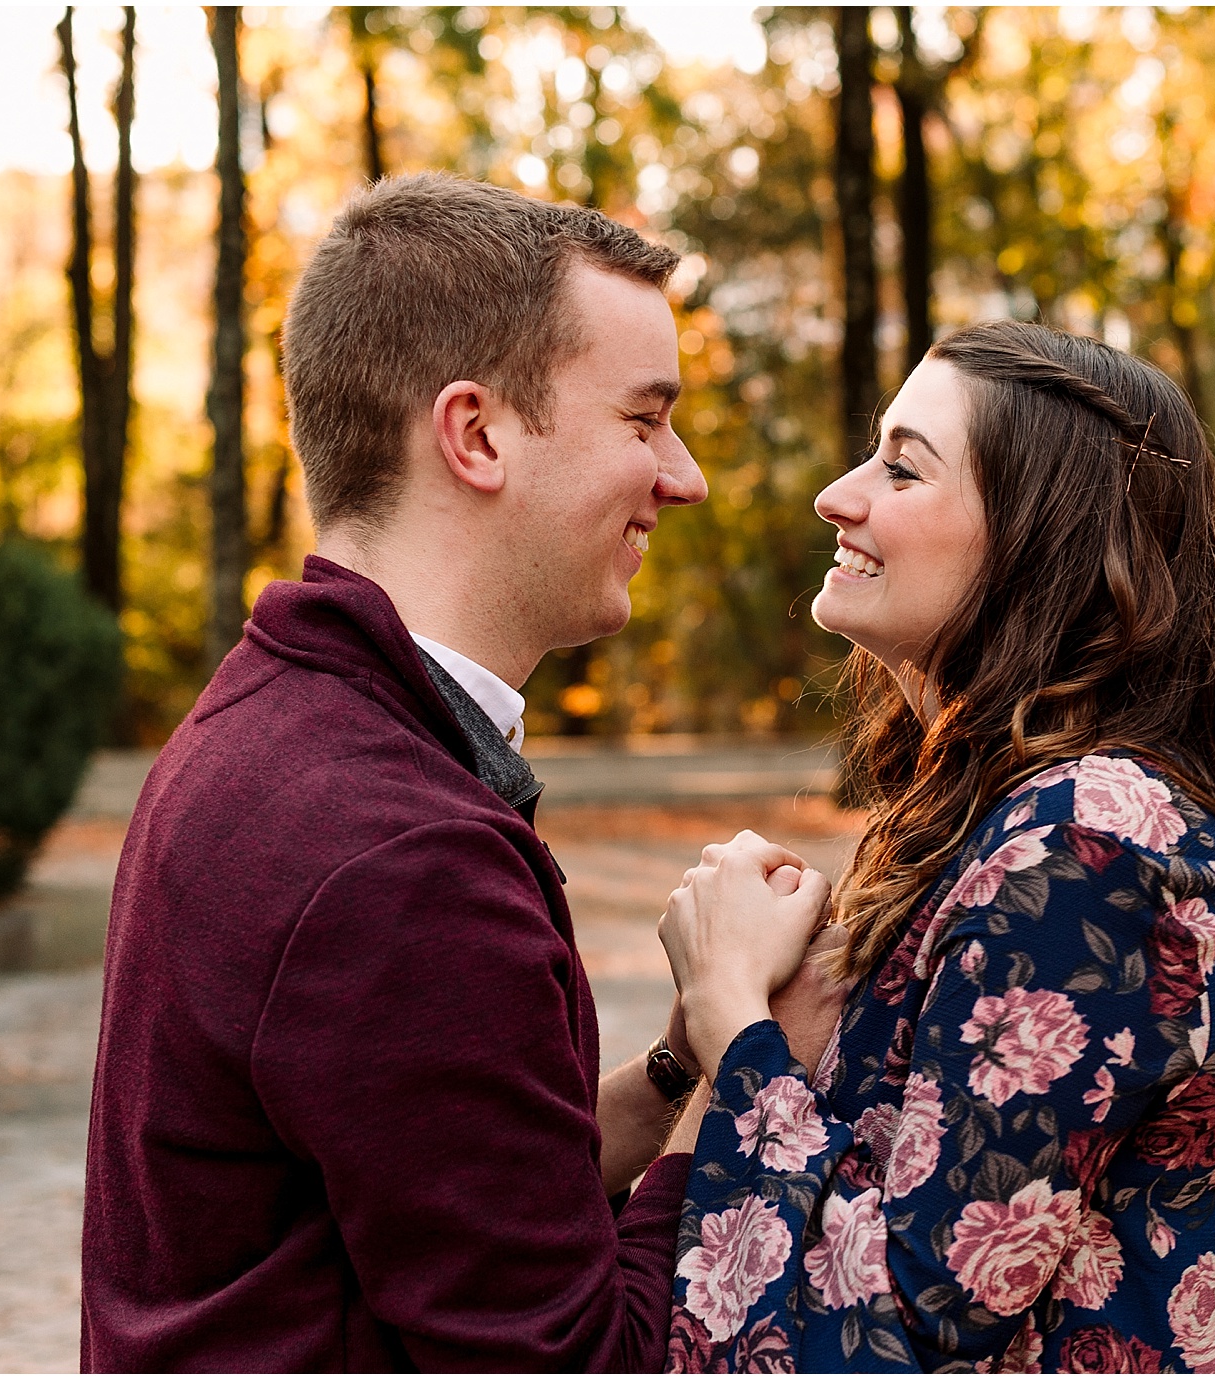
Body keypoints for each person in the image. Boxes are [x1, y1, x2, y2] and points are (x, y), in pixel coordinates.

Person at [80, 173, 837, 1372]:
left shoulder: (273, 721)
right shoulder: (398, 851)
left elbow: (447, 1196)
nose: (681, 476)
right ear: (475, 435)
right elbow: (579, 1357)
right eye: (644, 421)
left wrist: (679, 1061)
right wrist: (761, 1061)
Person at [657, 320, 1215, 1373]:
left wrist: (731, 1015)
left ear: (1037, 537)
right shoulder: (1003, 818)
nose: (838, 494)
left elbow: (900, 1327)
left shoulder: (1092, 849)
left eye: (902, 467)